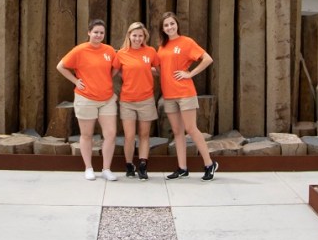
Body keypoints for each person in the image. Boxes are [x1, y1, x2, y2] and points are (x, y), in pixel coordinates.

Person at [156, 11, 218, 181]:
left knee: (191, 129)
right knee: (177, 132)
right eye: (166, 25)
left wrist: (190, 74)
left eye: (172, 23)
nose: (169, 27)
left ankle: (209, 164)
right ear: (162, 29)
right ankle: (182, 168)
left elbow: (207, 59)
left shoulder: (186, 42)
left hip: (184, 93)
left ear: (177, 24)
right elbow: (162, 70)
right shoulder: (162, 46)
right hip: (169, 95)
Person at [56, 19, 118, 181]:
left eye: (101, 33)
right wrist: (76, 81)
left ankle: (106, 169)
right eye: (95, 32)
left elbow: (116, 67)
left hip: (107, 99)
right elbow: (60, 66)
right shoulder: (79, 50)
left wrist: (107, 79)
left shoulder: (109, 50)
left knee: (110, 134)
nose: (98, 35)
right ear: (89, 32)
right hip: (86, 98)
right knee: (87, 134)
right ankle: (88, 168)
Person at [112, 21, 160, 180]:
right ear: (129, 35)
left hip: (146, 99)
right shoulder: (121, 54)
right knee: (129, 136)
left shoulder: (151, 52)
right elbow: (113, 72)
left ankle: (143, 166)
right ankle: (129, 165)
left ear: (144, 37)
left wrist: (147, 71)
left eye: (140, 36)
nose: (137, 38)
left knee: (144, 135)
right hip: (127, 100)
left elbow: (160, 70)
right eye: (135, 35)